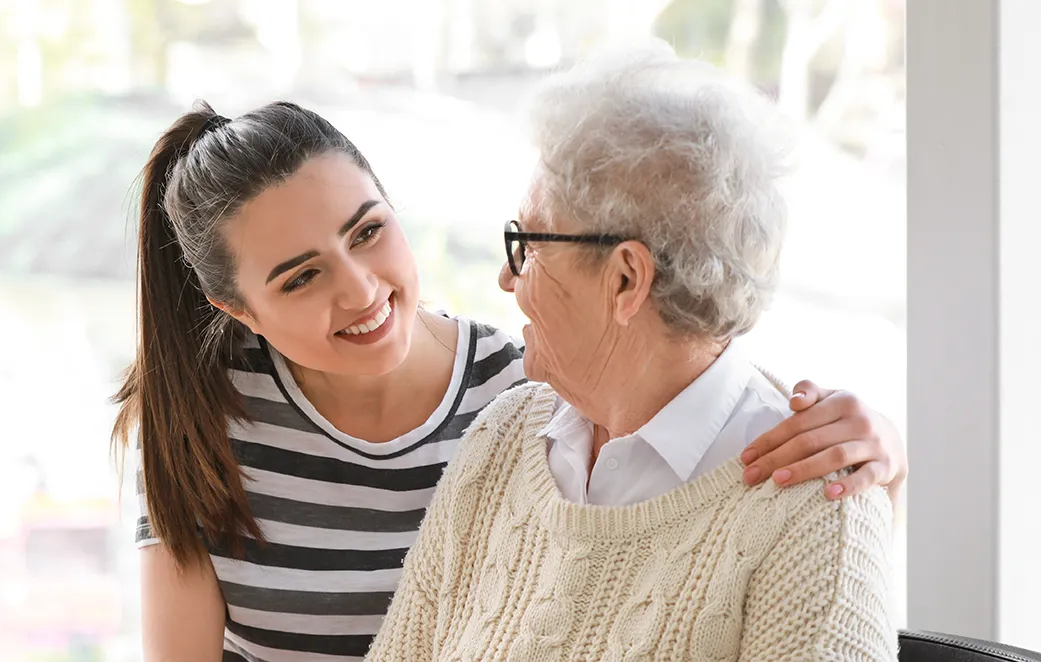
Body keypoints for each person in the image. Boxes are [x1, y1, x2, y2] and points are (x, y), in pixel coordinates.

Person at [116, 95, 904, 662]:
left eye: (369, 231)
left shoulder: (512, 392)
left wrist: (870, 451)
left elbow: (684, 364)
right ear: (236, 310)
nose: (360, 291)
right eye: (299, 278)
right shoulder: (515, 430)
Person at [366, 43, 896, 661]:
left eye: (529, 245)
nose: (506, 281)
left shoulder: (816, 513)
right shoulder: (505, 438)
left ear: (625, 280)